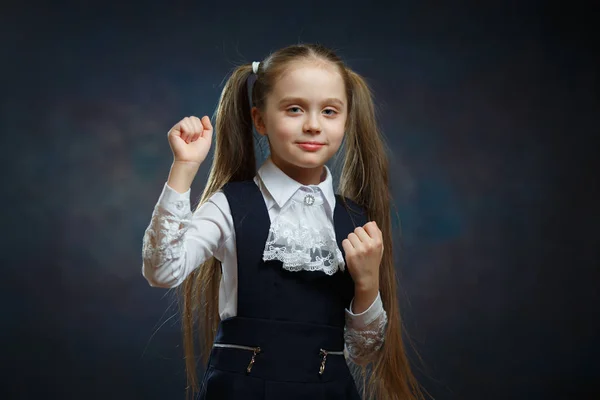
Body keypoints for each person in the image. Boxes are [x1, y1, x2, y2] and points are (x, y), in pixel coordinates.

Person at [142, 43, 425, 400]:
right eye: (294, 109)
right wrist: (184, 167)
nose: (312, 125)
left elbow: (364, 353)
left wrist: (368, 284)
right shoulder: (231, 206)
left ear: (347, 119)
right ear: (260, 119)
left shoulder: (357, 220)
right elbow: (162, 270)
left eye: (329, 111)